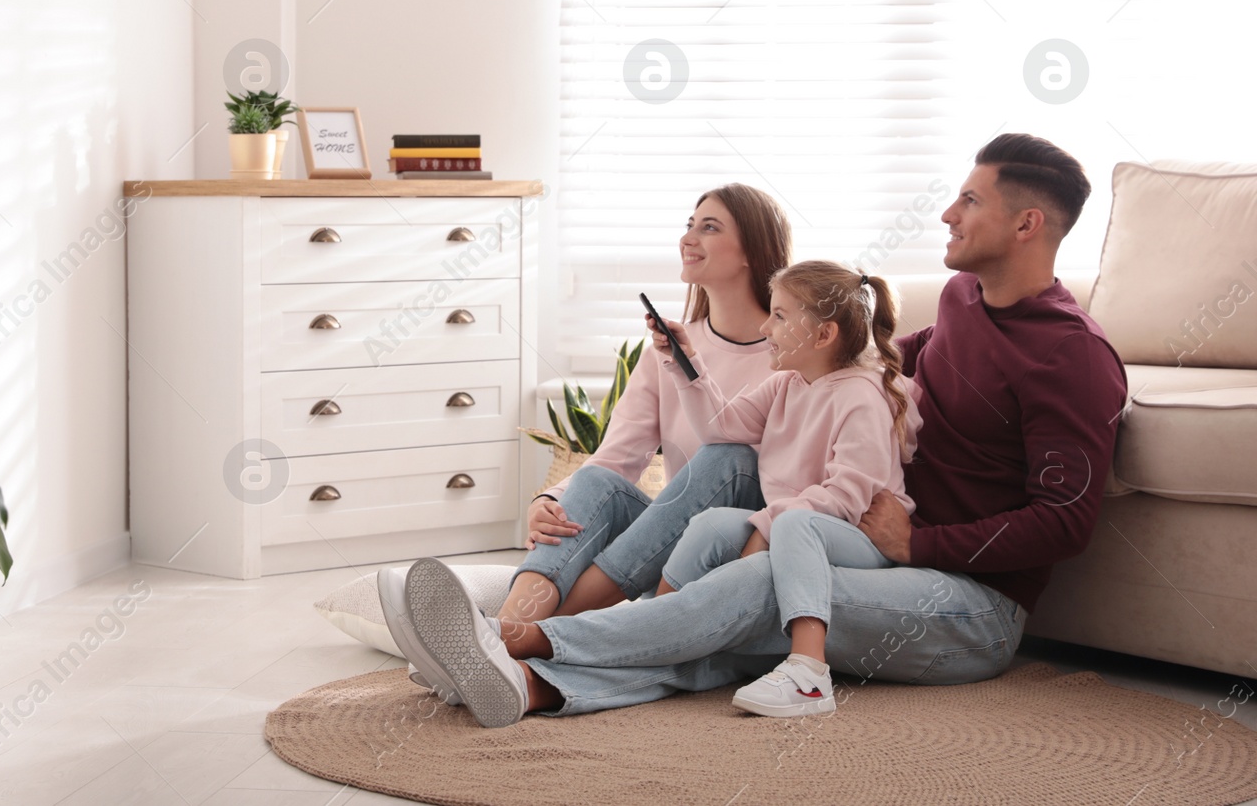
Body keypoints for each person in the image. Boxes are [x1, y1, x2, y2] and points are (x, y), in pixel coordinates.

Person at [389, 133, 1129, 727]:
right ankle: (527, 686)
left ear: (1027, 223)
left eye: (969, 200)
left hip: (971, 607)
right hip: (881, 558)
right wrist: (810, 370)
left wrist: (920, 542)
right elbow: (887, 367)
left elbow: (1065, 523)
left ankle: (515, 637)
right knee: (730, 617)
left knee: (751, 585)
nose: (947, 214)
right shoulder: (965, 298)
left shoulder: (1072, 355)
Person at [381, 184, 790, 705]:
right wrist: (547, 502)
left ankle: (506, 643)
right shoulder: (666, 349)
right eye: (689, 224)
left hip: (736, 543)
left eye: (709, 227)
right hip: (666, 547)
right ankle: (508, 627)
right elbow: (616, 459)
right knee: (597, 482)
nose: (689, 238)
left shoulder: (791, 352)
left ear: (754, 250)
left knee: (728, 457)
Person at [653, 260, 919, 718]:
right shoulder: (786, 383)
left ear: (822, 336)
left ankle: (810, 675)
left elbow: (847, 497)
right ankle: (656, 627)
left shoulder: (861, 396)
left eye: (779, 316)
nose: (765, 326)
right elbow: (722, 427)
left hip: (858, 536)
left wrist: (767, 528)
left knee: (795, 523)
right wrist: (688, 365)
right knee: (713, 524)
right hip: (799, 525)